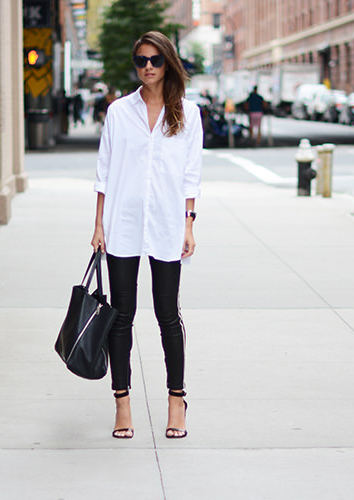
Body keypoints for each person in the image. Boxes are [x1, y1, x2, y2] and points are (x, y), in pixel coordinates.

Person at [91, 31, 203, 440]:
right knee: (121, 317)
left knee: (167, 315)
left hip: (168, 225)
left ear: (168, 61)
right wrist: (99, 224)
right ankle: (122, 402)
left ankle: (177, 400)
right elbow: (104, 171)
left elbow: (192, 175)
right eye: (141, 60)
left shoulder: (188, 114)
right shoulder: (119, 112)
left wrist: (189, 223)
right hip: (122, 223)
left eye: (155, 59)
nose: (149, 67)